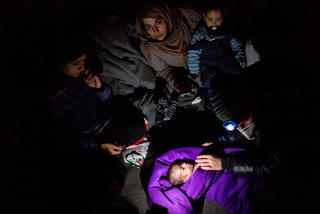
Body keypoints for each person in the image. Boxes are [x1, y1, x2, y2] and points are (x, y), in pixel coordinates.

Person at [44, 27, 146, 155]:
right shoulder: (54, 95)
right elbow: (63, 139)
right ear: (59, 64)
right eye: (76, 64)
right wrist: (100, 145)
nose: (81, 67)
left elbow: (108, 101)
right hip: (86, 135)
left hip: (102, 120)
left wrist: (99, 87)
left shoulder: (82, 76)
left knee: (138, 129)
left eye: (83, 61)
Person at [148, 147, 263, 214]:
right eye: (183, 168)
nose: (184, 163)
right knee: (226, 196)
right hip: (216, 187)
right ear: (187, 179)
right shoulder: (194, 179)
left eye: (180, 163)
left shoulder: (192, 164)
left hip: (218, 176)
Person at [188, 0, 246, 109]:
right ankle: (210, 104)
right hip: (207, 62)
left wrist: (240, 58)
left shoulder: (227, 30)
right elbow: (193, 52)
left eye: (218, 19)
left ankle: (238, 98)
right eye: (210, 20)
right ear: (204, 17)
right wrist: (194, 70)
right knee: (207, 80)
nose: (214, 23)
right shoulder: (200, 32)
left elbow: (236, 45)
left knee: (236, 73)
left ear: (224, 17)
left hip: (225, 59)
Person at [136, 2, 202, 95]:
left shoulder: (188, 17)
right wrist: (175, 83)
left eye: (158, 22)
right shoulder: (149, 46)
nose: (155, 31)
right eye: (148, 27)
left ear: (167, 18)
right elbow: (163, 70)